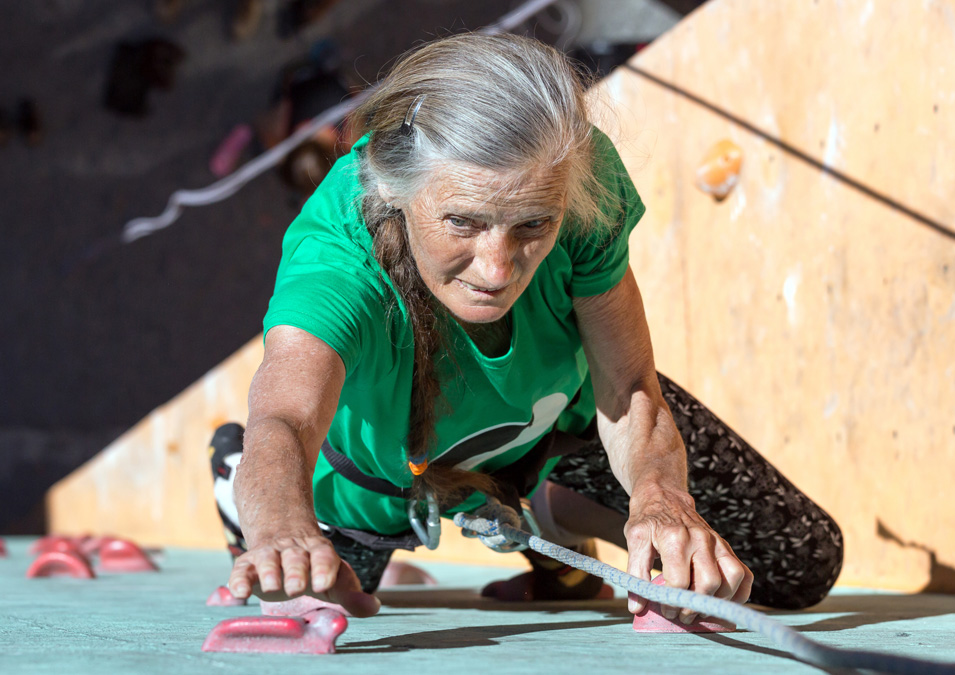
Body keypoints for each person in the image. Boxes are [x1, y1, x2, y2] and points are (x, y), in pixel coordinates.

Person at [210, 33, 843, 622]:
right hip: (379, 480)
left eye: (534, 226)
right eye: (462, 221)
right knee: (322, 592)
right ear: (395, 190)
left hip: (554, 430)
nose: (497, 269)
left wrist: (659, 502)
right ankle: (238, 479)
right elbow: (288, 420)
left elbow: (626, 384)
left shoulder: (577, 176)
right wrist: (281, 529)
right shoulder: (336, 259)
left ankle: (550, 514)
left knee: (799, 564)